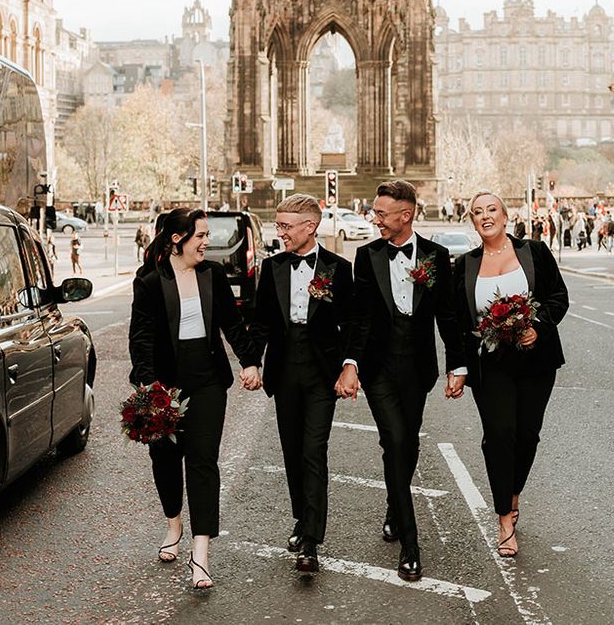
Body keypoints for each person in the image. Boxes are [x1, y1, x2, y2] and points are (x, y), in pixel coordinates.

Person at [337, 180, 466, 582]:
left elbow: (447, 315)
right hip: (377, 368)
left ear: (405, 215)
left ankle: (395, 505)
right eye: (374, 212)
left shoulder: (436, 256)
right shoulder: (367, 255)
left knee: (405, 443)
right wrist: (351, 363)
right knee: (394, 439)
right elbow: (359, 318)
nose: (374, 218)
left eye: (380, 213)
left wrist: (457, 366)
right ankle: (411, 547)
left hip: (418, 369)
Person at [128, 208, 261, 589]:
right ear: (177, 239)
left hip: (207, 382)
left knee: (203, 462)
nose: (207, 242)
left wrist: (250, 360)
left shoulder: (213, 274)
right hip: (165, 385)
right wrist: (148, 385)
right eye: (200, 235)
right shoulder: (151, 281)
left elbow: (232, 324)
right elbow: (141, 338)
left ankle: (200, 554)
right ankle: (174, 523)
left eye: (206, 235)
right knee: (166, 459)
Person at [452, 191, 568, 559]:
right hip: (490, 366)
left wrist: (538, 326)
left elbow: (558, 297)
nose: (485, 216)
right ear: (472, 221)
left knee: (527, 435)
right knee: (500, 434)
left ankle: (513, 491)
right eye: (477, 212)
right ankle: (505, 517)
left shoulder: (534, 252)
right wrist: (457, 368)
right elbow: (456, 321)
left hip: (536, 361)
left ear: (505, 215)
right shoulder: (465, 265)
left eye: (491, 209)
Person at [248, 194, 354, 573]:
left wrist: (348, 366)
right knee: (293, 451)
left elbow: (351, 325)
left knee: (313, 450)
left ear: (310, 226)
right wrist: (251, 362)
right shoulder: (272, 267)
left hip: (320, 370)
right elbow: (260, 321)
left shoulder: (338, 269)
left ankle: (310, 538)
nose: (281, 233)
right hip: (283, 367)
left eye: (286, 226)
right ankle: (301, 518)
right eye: (278, 226)